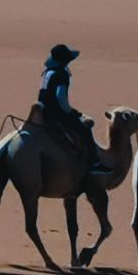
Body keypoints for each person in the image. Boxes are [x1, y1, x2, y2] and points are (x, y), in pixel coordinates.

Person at [38, 44, 110, 176]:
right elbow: (61, 98)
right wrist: (70, 112)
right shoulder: (61, 74)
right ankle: (94, 163)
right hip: (55, 114)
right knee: (84, 130)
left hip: (41, 112)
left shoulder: (47, 72)